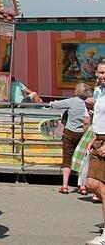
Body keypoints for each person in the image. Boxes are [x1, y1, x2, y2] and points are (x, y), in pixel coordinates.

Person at [52, 82, 92, 193]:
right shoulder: (90, 103)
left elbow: (55, 105)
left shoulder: (72, 101)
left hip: (70, 132)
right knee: (83, 159)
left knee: (67, 158)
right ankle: (82, 186)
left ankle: (65, 186)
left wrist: (51, 103)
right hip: (84, 134)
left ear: (77, 91)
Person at [84, 63, 105, 244]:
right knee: (91, 183)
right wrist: (94, 138)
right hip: (99, 138)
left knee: (101, 187)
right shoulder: (100, 91)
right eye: (100, 72)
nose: (102, 75)